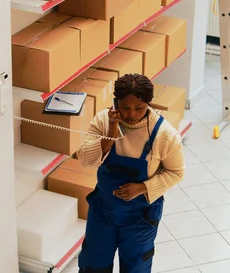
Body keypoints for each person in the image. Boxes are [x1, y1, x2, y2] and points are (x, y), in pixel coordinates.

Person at [76, 73, 185, 273]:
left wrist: (143, 188)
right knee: (93, 264)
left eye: (139, 108)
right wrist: (110, 133)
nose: (131, 114)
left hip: (141, 216)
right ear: (116, 102)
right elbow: (85, 160)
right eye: (124, 107)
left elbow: (176, 172)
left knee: (136, 268)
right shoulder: (103, 120)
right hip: (103, 210)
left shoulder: (164, 135)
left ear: (149, 104)